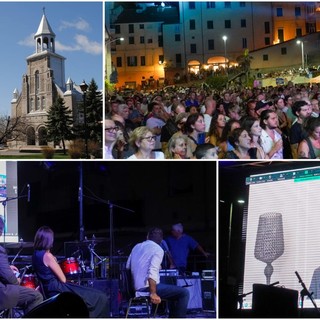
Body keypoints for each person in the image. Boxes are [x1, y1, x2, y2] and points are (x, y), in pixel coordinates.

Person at [32, 226, 109, 318]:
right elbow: (63, 279)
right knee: (100, 297)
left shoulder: (35, 255)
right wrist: (54, 260)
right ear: (49, 240)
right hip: (56, 288)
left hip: (47, 289)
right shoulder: (48, 256)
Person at [126, 227, 189, 318]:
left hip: (133, 288)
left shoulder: (137, 246)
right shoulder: (158, 249)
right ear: (161, 240)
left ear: (147, 236)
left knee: (172, 290)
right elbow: (152, 272)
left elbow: (128, 267)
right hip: (146, 288)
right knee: (184, 293)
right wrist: (153, 293)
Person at [0, 216, 43, 315]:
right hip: (2, 294)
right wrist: (17, 281)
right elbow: (10, 279)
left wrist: (7, 267)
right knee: (36, 296)